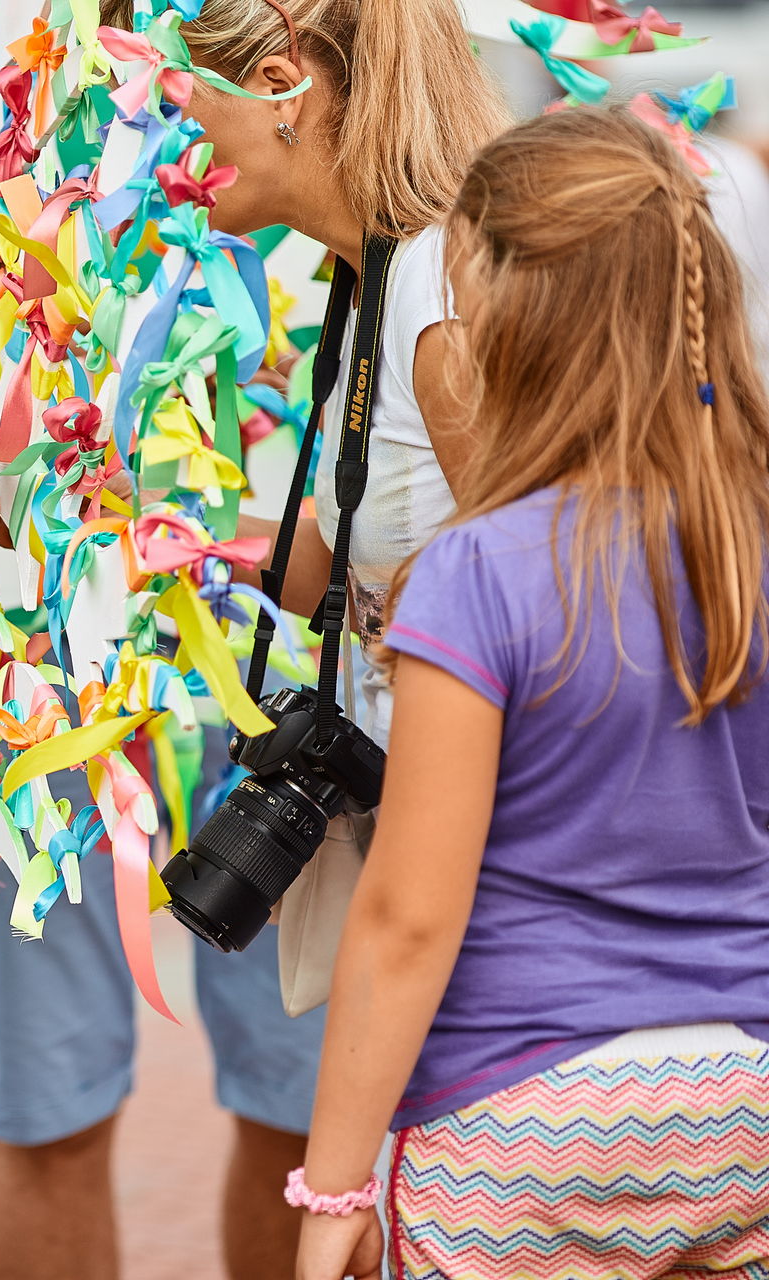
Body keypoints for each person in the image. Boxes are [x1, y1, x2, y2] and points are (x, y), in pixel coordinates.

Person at [0, 4, 513, 1277]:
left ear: (281, 88)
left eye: (175, 109)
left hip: (467, 874)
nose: (159, 151)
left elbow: (553, 594)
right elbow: (365, 529)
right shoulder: (370, 276)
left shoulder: (438, 297)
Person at [293, 105, 769, 1280]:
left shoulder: (480, 571)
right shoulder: (749, 539)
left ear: (512, 319)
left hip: (516, 1120)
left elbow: (409, 914)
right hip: (740, 1103)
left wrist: (334, 1187)